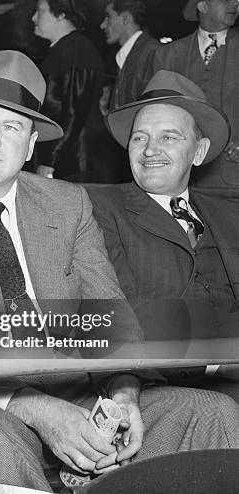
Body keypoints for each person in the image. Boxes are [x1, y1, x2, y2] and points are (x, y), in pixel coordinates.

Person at [0, 50, 239, 492]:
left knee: (212, 413)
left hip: (82, 392)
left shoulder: (66, 204)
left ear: (32, 145)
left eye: (10, 127)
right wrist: (36, 408)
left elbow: (112, 320)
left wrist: (122, 398)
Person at [89, 70, 239, 400]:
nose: (150, 150)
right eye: (140, 138)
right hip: (161, 386)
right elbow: (119, 313)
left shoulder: (230, 214)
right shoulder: (99, 210)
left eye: (168, 137)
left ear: (198, 152)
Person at [151, 0, 239, 188]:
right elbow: (155, 115)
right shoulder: (167, 55)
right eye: (227, 0)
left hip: (233, 176)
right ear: (203, 6)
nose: (235, 4)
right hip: (182, 177)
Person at [31, 0, 104, 181]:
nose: (33, 18)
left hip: (74, 162)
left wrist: (50, 161)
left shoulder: (76, 49)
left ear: (61, 15)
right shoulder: (64, 49)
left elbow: (75, 112)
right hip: (67, 158)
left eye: (40, 11)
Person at [100, 0, 160, 112]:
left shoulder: (152, 53)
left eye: (108, 17)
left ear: (125, 19)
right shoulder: (128, 54)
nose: (102, 25)